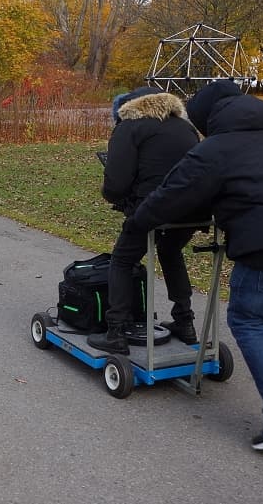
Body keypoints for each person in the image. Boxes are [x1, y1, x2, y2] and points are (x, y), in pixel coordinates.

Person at [124, 79, 263, 472]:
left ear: (207, 120)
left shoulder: (216, 148)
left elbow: (173, 193)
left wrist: (137, 222)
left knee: (248, 318)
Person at [86, 86, 202, 355]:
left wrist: (118, 197)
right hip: (193, 208)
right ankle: (185, 321)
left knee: (123, 260)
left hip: (153, 206)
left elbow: (116, 183)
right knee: (170, 250)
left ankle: (115, 330)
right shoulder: (185, 127)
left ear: (130, 106)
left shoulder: (129, 127)